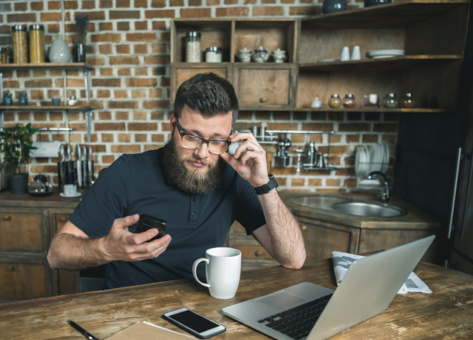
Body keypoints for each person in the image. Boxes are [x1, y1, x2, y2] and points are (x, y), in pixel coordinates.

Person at [48, 73, 305, 289]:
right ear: (173, 125)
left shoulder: (234, 177)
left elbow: (293, 259)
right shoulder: (126, 171)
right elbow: (56, 254)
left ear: (231, 137)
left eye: (216, 140)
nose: (202, 153)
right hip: (128, 313)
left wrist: (263, 184)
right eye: (192, 137)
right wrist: (107, 249)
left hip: (201, 313)